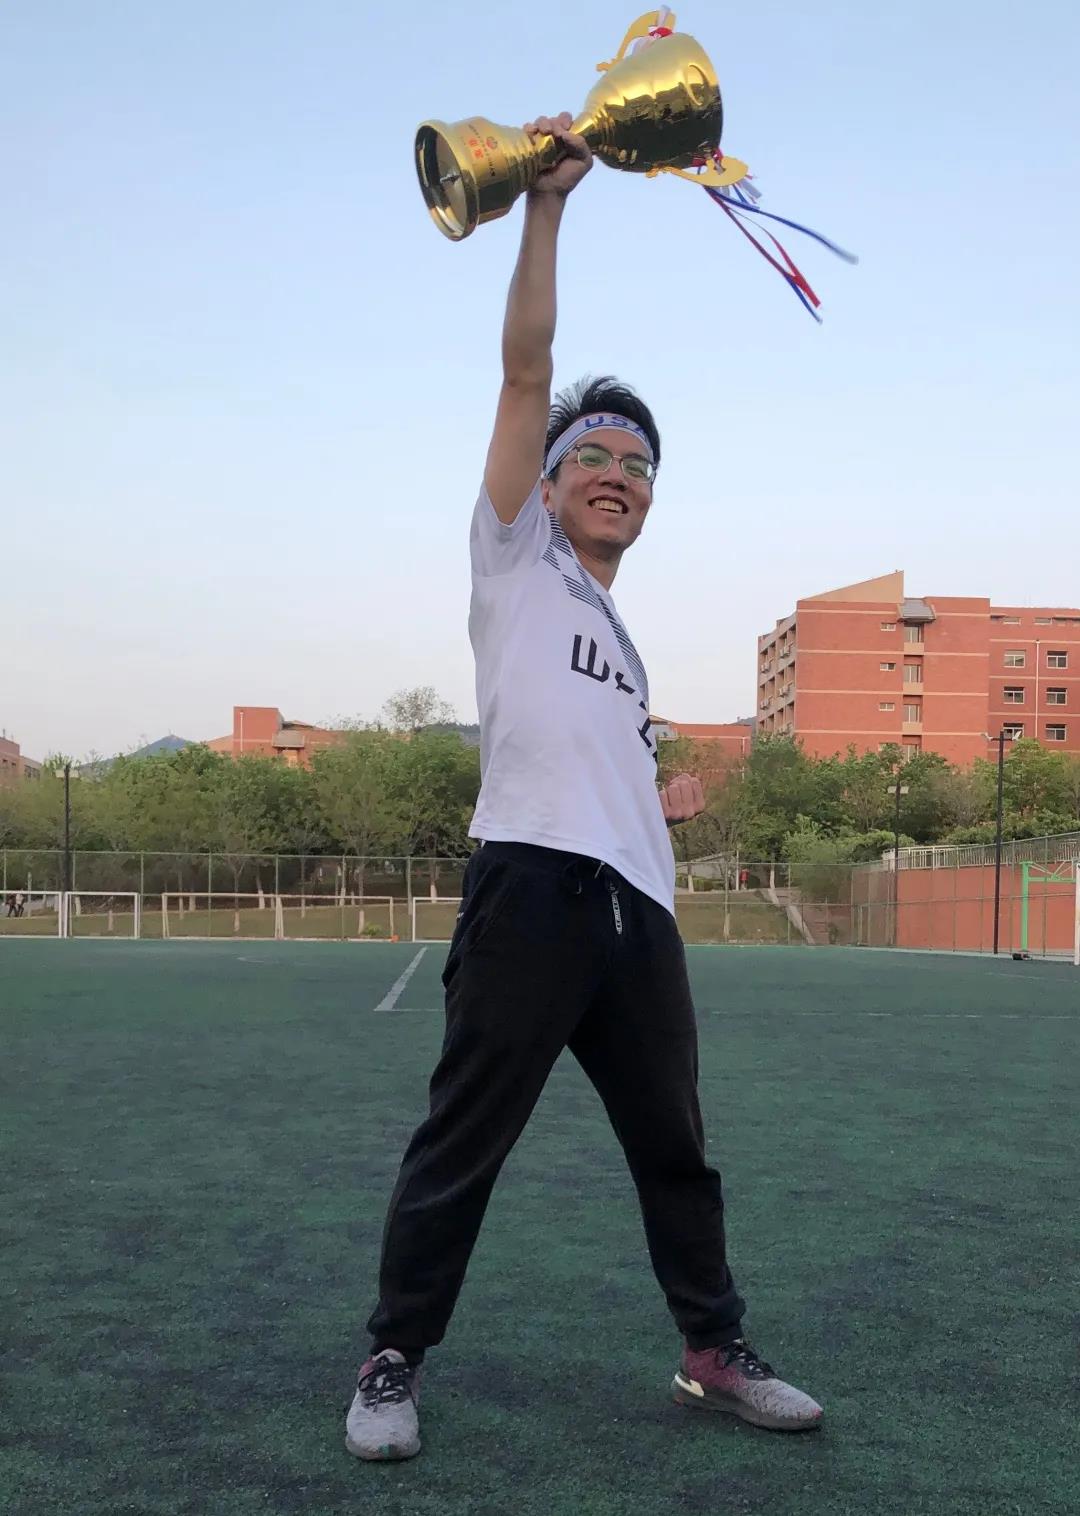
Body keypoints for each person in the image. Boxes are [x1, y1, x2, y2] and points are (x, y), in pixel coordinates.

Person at [347, 111, 822, 1462]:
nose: (619, 477)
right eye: (595, 460)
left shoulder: (624, 645)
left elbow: (611, 765)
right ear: (548, 486)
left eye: (638, 468)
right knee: (465, 1141)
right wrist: (549, 205)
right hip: (530, 889)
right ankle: (392, 1358)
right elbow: (526, 373)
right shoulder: (514, 559)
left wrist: (662, 817)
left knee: (677, 1148)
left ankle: (711, 1350)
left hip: (637, 915)